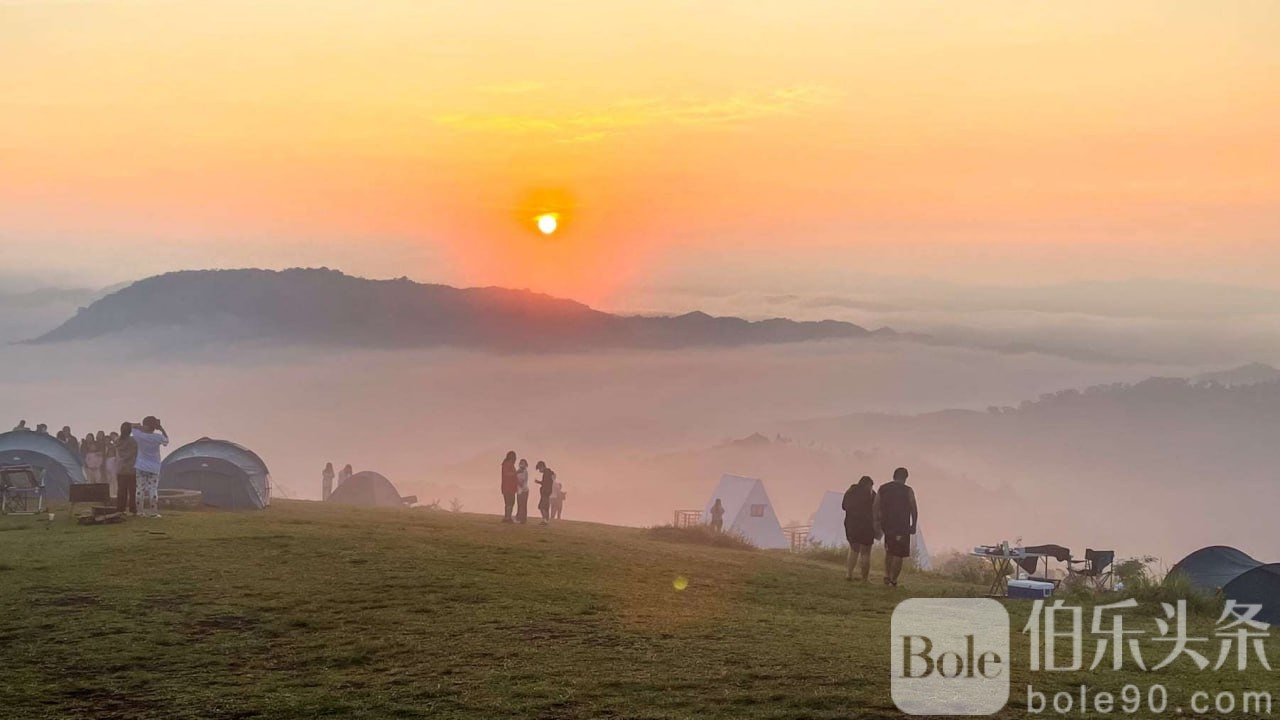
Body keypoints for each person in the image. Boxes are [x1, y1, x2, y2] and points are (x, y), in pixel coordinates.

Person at [873, 467, 918, 588]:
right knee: (898, 554)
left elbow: (875, 506)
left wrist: (876, 522)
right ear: (905, 478)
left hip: (887, 525)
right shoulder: (908, 490)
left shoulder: (883, 488)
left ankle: (887, 575)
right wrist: (913, 524)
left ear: (894, 476)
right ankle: (893, 580)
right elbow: (913, 508)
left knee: (889, 551)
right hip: (902, 526)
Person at [130, 417, 169, 518]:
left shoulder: (139, 435)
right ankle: (153, 512)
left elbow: (131, 426)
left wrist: (141, 426)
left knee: (140, 489)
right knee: (153, 489)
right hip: (154, 466)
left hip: (141, 465)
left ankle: (140, 512)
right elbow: (166, 441)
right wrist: (161, 428)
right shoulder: (158, 437)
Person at [842, 476, 878, 582]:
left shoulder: (851, 491)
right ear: (869, 485)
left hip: (851, 525)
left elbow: (844, 506)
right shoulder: (872, 495)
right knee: (865, 552)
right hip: (867, 525)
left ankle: (849, 574)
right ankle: (864, 578)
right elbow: (877, 509)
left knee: (854, 549)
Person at [115, 421, 138, 515]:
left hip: (120, 469)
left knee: (121, 491)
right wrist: (135, 426)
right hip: (131, 469)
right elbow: (136, 451)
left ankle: (120, 509)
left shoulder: (118, 441)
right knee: (132, 491)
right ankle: (133, 509)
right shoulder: (133, 441)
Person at [500, 451, 518, 523]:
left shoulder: (509, 464)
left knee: (510, 502)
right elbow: (507, 474)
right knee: (509, 502)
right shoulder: (507, 464)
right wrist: (516, 473)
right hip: (508, 487)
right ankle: (507, 517)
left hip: (510, 487)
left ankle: (508, 516)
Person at [103, 431, 120, 499]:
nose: (106, 441)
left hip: (113, 461)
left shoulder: (113, 446)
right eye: (105, 440)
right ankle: (110, 493)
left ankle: (115, 493)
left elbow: (117, 454)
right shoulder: (104, 447)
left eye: (107, 440)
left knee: (114, 478)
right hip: (106, 462)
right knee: (108, 479)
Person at [515, 459, 530, 523]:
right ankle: (520, 517)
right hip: (519, 490)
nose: (522, 465)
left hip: (524, 490)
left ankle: (522, 518)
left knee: (523, 504)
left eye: (523, 463)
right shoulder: (518, 471)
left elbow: (522, 481)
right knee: (519, 504)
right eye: (521, 463)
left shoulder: (525, 471)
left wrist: (517, 481)